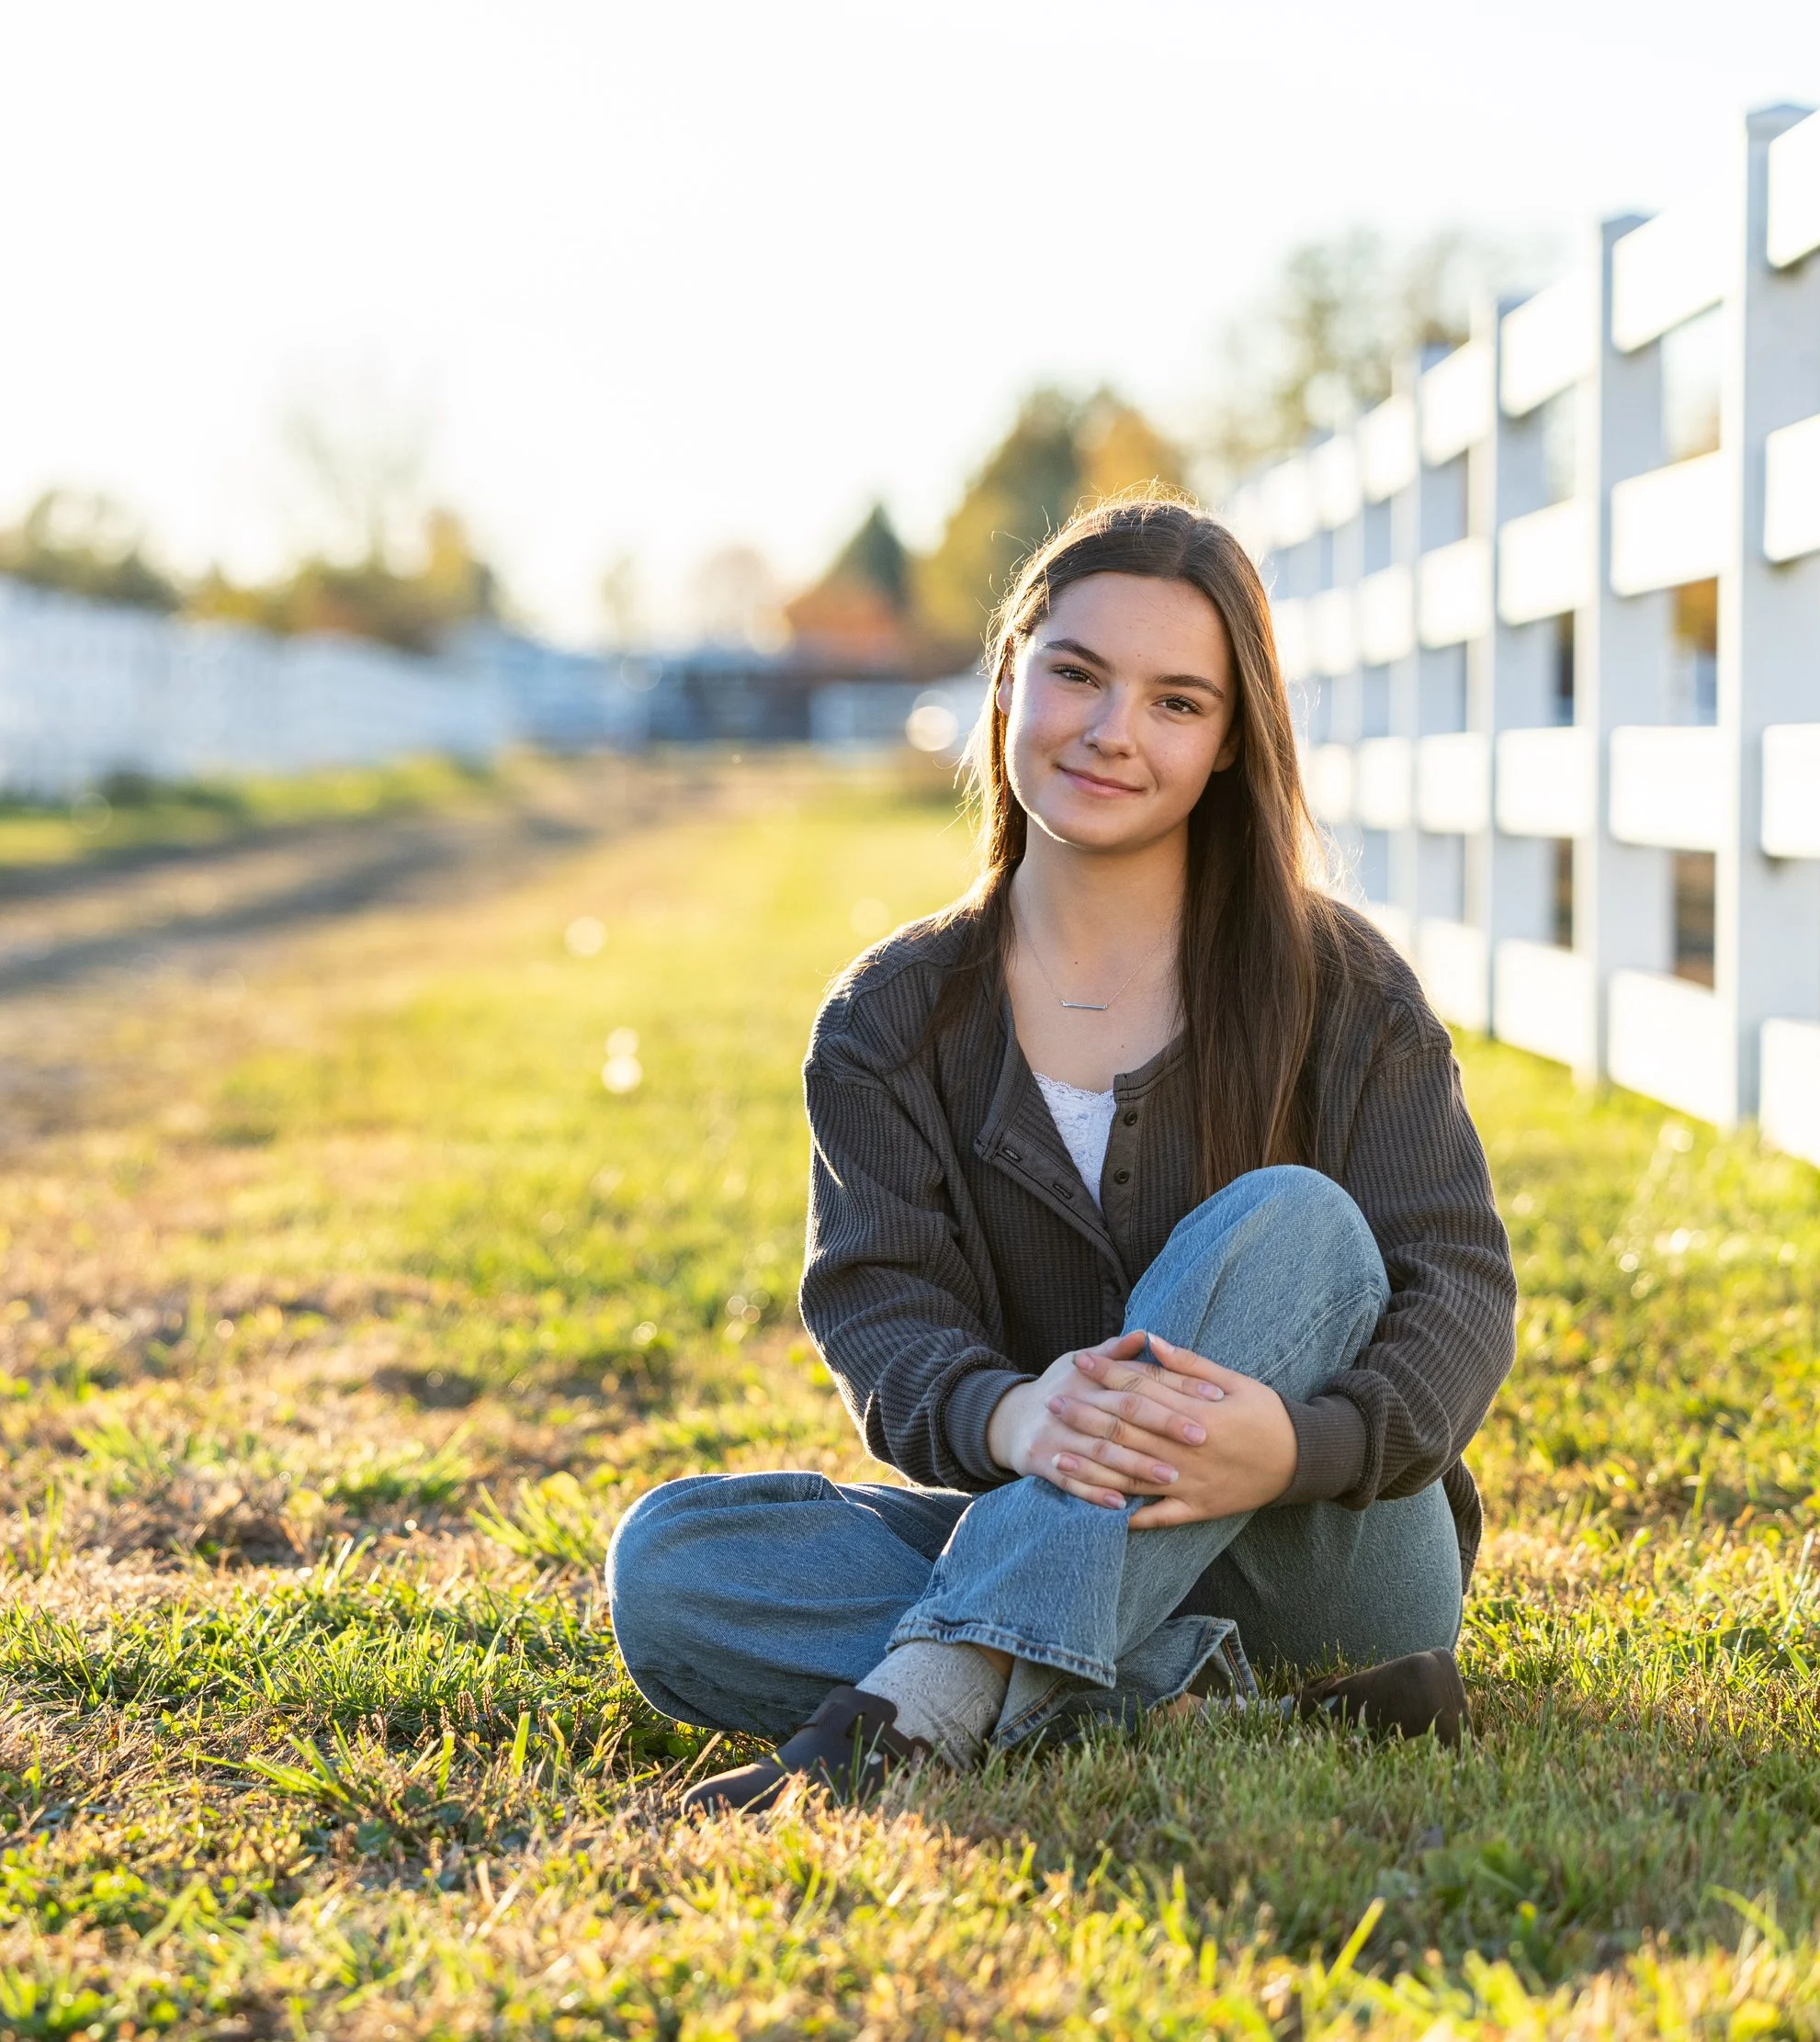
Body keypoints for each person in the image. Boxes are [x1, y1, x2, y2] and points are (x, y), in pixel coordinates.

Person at [606, 495, 1518, 1815]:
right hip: (1040, 1504)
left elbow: (1461, 1288)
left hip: (1325, 1552)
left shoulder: (1339, 982)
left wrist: (1298, 1445)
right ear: (1009, 678)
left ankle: (926, 1699)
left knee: (1301, 1224)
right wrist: (1012, 1412)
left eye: (1177, 702)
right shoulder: (889, 1018)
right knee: (677, 1566)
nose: (1112, 732)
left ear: (1226, 746)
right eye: (1078, 674)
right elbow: (883, 1308)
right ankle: (1191, 1689)